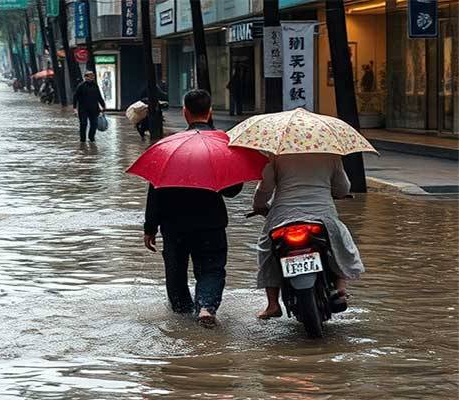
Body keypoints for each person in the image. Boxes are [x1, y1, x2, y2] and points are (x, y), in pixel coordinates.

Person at [143, 89, 243, 328]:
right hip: (211, 224)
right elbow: (232, 190)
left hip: (174, 225)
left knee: (175, 273)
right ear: (209, 112)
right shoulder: (224, 144)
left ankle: (182, 319)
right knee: (212, 268)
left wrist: (150, 228)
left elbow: (154, 190)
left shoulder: (168, 146)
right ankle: (206, 307)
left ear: (185, 113)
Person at [250, 154, 363, 320]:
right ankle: (340, 286)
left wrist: (258, 206)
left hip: (283, 216)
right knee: (341, 241)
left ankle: (272, 304)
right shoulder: (330, 155)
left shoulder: (275, 156)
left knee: (266, 248)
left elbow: (265, 188)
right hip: (322, 216)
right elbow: (343, 188)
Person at [72, 71, 106, 142]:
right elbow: (75, 97)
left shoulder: (95, 85)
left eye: (92, 76)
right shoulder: (81, 86)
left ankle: (91, 138)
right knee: (83, 124)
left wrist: (103, 106)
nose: (92, 78)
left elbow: (99, 96)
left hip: (94, 109)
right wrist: (75, 108)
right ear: (85, 77)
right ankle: (83, 140)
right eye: (90, 76)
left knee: (94, 124)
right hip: (83, 109)